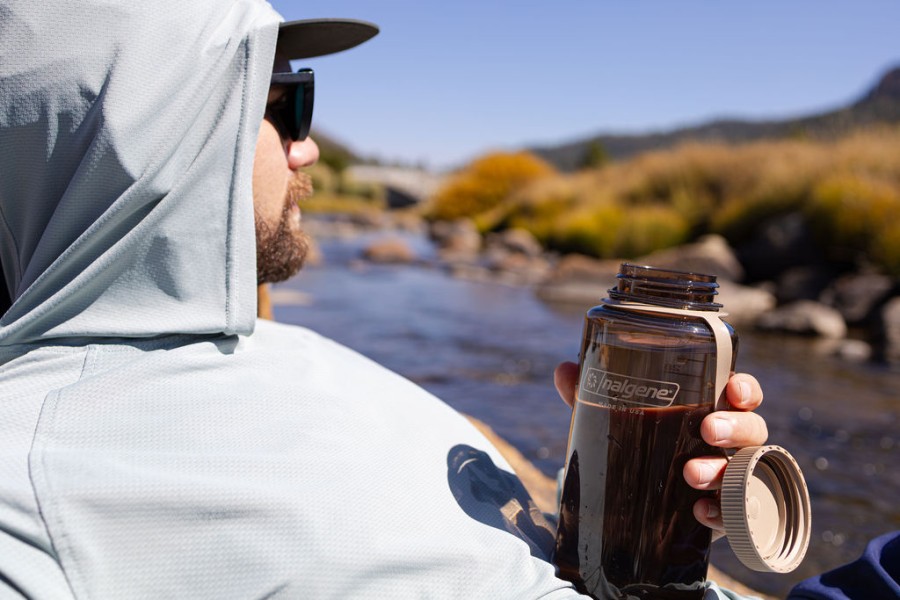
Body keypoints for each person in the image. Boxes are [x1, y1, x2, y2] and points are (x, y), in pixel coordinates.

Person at [0, 1, 770, 597]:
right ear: (156, 135)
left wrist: (615, 488)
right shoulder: (25, 503)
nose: (312, 146)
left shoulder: (259, 341)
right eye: (285, 103)